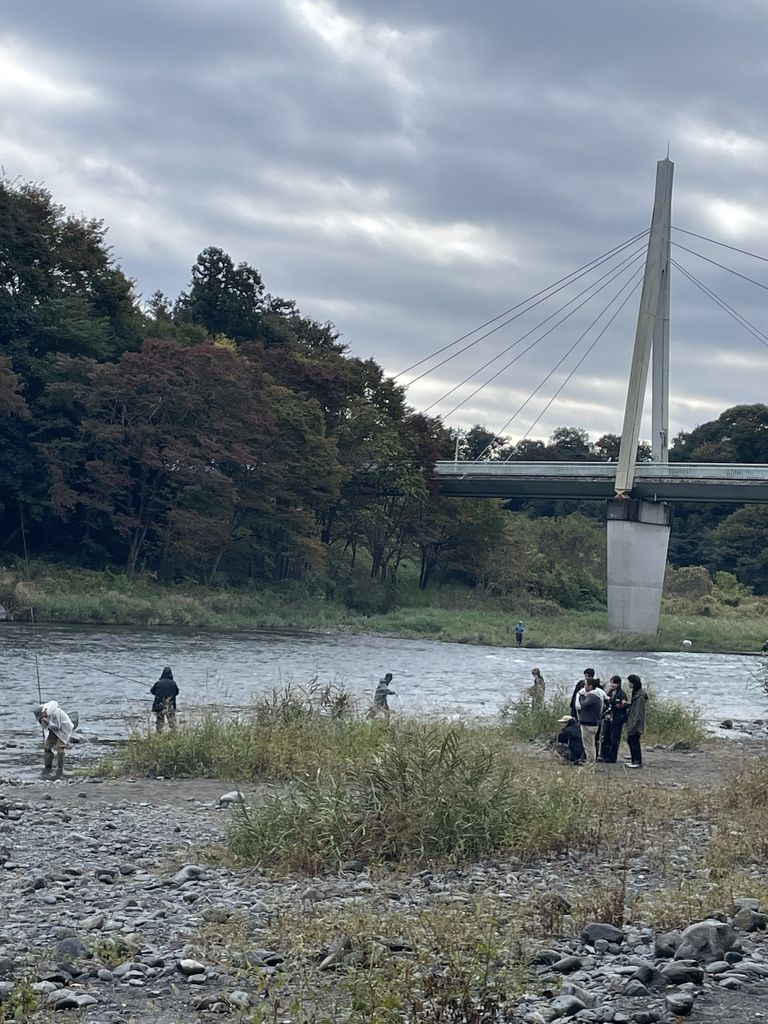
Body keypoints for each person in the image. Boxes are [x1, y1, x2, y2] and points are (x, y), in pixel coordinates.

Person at [34, 700, 75, 779]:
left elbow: (57, 727)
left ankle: (60, 769)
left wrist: (48, 722)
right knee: (47, 747)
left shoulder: (55, 713)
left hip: (63, 730)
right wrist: (44, 723)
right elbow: (47, 727)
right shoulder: (46, 714)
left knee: (59, 748)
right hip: (53, 730)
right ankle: (48, 767)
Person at [602, 675, 628, 763]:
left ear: (619, 684)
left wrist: (616, 704)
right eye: (611, 682)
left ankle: (612, 757)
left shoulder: (622, 694)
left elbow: (623, 706)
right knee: (605, 736)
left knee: (614, 738)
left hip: (617, 719)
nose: (612, 685)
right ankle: (604, 755)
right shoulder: (610, 692)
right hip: (608, 718)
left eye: (614, 683)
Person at [577, 677, 602, 768]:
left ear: (590, 686)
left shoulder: (592, 696)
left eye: (585, 684)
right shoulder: (595, 695)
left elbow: (583, 705)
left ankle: (590, 764)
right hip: (590, 723)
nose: (584, 686)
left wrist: (581, 696)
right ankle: (590, 762)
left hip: (589, 724)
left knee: (589, 746)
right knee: (590, 745)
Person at [625, 674, 647, 769]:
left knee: (634, 742)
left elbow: (639, 713)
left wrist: (634, 726)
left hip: (635, 724)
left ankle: (637, 761)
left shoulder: (640, 696)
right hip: (632, 722)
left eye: (630, 682)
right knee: (631, 741)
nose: (629, 684)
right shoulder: (636, 694)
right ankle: (634, 760)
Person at [150, 667, 179, 733]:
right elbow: (177, 693)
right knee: (172, 723)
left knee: (160, 723)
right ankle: (174, 734)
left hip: (159, 706)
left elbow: (152, 691)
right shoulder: (173, 683)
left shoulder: (158, 683)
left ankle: (159, 735)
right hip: (170, 706)